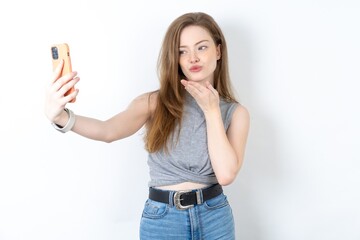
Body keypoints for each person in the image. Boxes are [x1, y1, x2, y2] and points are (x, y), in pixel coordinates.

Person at [45, 12, 250, 240]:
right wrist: (61, 117)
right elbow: (108, 131)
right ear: (176, 58)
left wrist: (212, 110)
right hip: (163, 220)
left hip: (214, 217)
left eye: (201, 47)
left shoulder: (235, 113)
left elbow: (226, 175)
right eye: (182, 51)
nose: (193, 58)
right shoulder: (154, 102)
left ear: (218, 51)